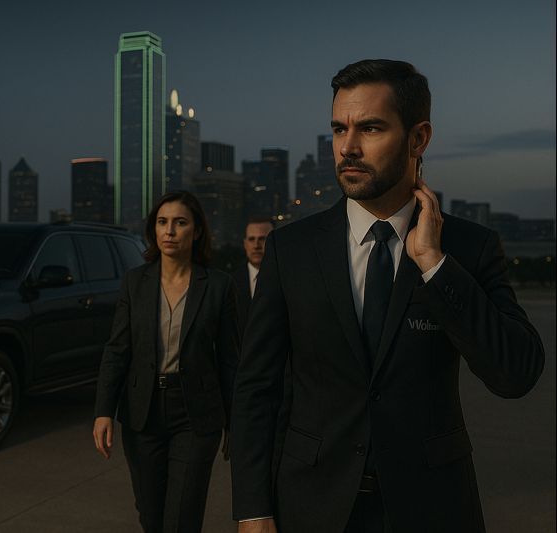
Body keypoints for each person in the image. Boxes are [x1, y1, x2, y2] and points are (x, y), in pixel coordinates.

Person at [229, 59, 545, 533]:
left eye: (371, 128)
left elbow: (515, 373)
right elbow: (256, 388)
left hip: (432, 507)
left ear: (419, 139)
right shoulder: (290, 250)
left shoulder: (469, 248)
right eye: (339, 129)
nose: (348, 147)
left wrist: (436, 266)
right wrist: (253, 510)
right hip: (312, 505)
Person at [93, 190, 240, 533]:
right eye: (162, 222)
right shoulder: (135, 282)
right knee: (151, 516)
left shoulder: (218, 286)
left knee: (182, 518)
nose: (169, 231)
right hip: (142, 412)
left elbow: (231, 360)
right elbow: (117, 350)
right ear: (153, 230)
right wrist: (104, 410)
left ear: (197, 231)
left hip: (195, 414)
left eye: (179, 222)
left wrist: (235, 422)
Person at [232, 217, 274, 338]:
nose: (256, 245)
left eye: (262, 239)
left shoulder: (288, 280)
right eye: (251, 239)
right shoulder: (230, 283)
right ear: (245, 243)